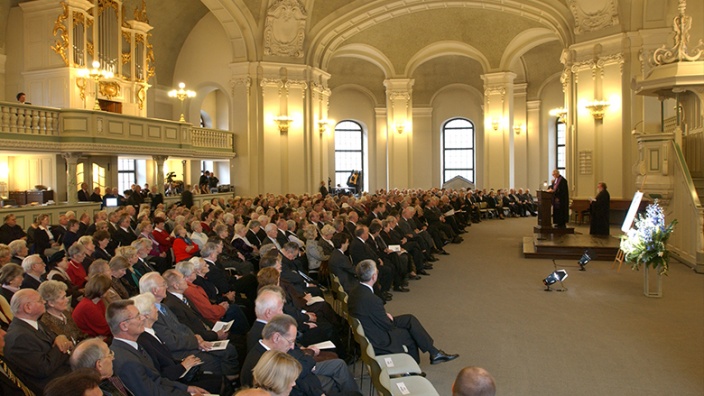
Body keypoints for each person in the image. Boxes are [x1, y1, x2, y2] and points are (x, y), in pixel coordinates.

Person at [348, 259, 459, 364]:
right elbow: (387, 325)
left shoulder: (354, 291)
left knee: (409, 319)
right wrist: (387, 318)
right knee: (409, 335)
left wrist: (384, 316)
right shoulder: (373, 300)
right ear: (374, 276)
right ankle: (414, 370)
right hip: (377, 337)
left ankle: (434, 352)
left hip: (369, 326)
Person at [107, 299, 204, 396]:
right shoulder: (126, 361)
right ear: (124, 326)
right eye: (137, 316)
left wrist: (186, 388)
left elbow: (157, 379)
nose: (142, 318)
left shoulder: (133, 347)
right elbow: (152, 393)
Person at [4, 289, 73, 394]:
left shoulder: (36, 323)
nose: (44, 302)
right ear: (28, 307)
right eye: (40, 300)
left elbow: (57, 340)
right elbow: (43, 368)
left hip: (63, 372)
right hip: (54, 386)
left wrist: (61, 338)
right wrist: (61, 345)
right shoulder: (19, 336)